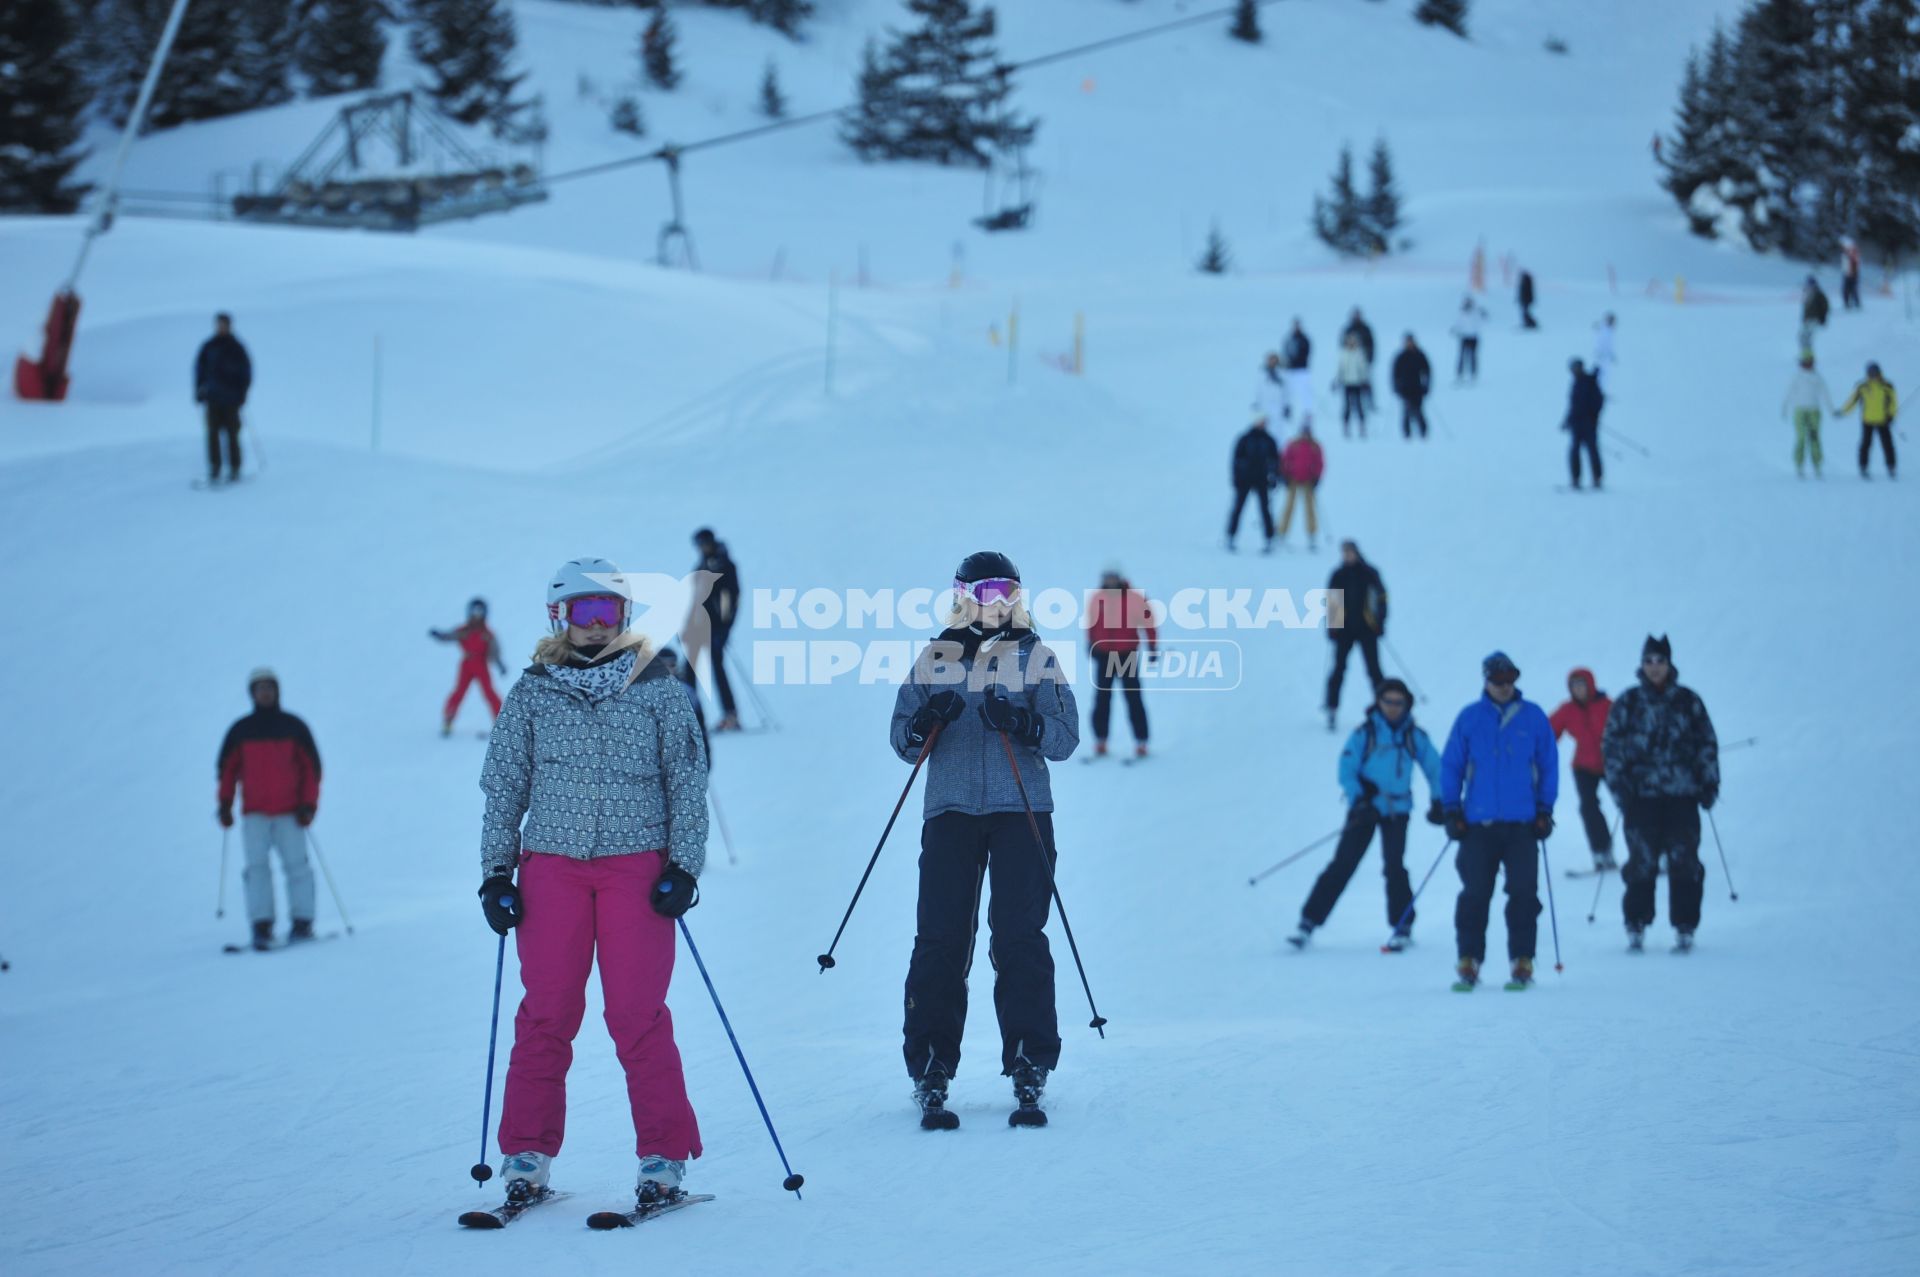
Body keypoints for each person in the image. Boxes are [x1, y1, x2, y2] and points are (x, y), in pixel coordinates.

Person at [477, 557, 710, 1211]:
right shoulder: (532, 691)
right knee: (547, 1013)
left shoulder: (659, 684)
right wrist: (497, 872)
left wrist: (683, 866)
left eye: (607, 611)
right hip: (551, 864)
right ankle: (526, 1153)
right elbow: (504, 787)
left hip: (636, 865)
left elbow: (687, 781)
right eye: (583, 611)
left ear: (625, 616)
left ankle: (663, 1157)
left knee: (637, 1014)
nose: (596, 623)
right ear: (560, 617)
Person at [890, 552, 1079, 1126]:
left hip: (1021, 809)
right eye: (981, 590)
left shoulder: (1037, 656)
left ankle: (1029, 1059)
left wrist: (1024, 724)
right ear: (961, 595)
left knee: (1019, 935)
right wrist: (929, 722)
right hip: (950, 810)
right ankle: (931, 1064)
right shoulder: (935, 657)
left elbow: (1066, 738)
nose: (992, 601)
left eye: (1004, 590)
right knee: (942, 938)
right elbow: (901, 737)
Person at [1288, 679, 1442, 951]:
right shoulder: (1365, 733)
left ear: (1406, 704)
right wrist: (1358, 797)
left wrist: (1440, 800)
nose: (1393, 708)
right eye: (1388, 702)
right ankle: (1308, 921)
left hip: (1398, 810)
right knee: (1344, 862)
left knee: (1395, 866)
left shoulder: (1413, 735)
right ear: (1378, 702)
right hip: (1365, 808)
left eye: (1398, 703)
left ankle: (1402, 925)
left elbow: (1434, 767)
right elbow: (1346, 767)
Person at [1438, 651, 1558, 990]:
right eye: (1498, 680)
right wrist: (1450, 809)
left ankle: (1522, 960)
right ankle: (1469, 959)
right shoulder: (1470, 718)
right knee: (1475, 893)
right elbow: (1452, 765)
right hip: (1478, 825)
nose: (1505, 686)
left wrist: (1545, 810)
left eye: (1510, 679)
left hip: (1523, 824)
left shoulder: (1533, 717)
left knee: (1523, 893)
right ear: (1486, 680)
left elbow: (1548, 765)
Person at [1601, 635, 1718, 952]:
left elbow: (1706, 743)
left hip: (1683, 794)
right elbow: (1610, 747)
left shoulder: (1688, 701)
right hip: (1640, 796)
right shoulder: (1628, 702)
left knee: (1685, 861)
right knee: (1642, 861)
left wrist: (1709, 783)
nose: (1654, 667)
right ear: (1642, 664)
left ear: (1669, 664)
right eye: (1649, 661)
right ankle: (1636, 923)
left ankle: (1685, 925)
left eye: (1660, 661)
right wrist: (1619, 786)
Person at [217, 668, 322, 951]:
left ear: (278, 691)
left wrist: (308, 804)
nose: (265, 693)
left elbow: (311, 769)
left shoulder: (294, 727)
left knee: (297, 868)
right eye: (259, 688)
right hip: (255, 814)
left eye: (269, 687)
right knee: (257, 870)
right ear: (252, 694)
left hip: (291, 813)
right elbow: (227, 771)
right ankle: (261, 925)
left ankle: (303, 922)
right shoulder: (240, 731)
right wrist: (225, 804)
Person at [1084, 566, 1155, 759]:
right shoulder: (1097, 598)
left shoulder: (1134, 598)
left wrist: (1153, 647)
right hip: (1104, 655)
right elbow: (1091, 623)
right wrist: (1090, 644)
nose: (1110, 581)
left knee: (1133, 698)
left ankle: (1141, 741)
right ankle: (1100, 740)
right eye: (1107, 578)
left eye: (1113, 578)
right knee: (1102, 699)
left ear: (1120, 579)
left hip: (1126, 655)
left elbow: (1149, 623)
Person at [1548, 668, 1615, 871]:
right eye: (1574, 686)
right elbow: (1548, 733)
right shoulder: (1567, 710)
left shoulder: (1608, 706)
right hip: (1584, 766)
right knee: (1588, 807)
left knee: (1630, 805)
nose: (1578, 690)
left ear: (1590, 685)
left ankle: (1646, 851)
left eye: (1581, 685)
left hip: (1612, 764)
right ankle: (1601, 852)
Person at [1324, 539, 1386, 729]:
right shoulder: (1338, 575)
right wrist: (1332, 628)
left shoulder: (1369, 573)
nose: (1347, 556)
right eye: (1344, 553)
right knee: (1338, 669)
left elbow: (1382, 599)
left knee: (1374, 670)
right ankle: (1332, 707)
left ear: (1357, 553)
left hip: (1367, 629)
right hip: (1345, 631)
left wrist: (1379, 623)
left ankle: (1383, 708)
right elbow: (1332, 602)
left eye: (1350, 552)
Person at [685, 528, 742, 731]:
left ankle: (731, 715)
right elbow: (695, 600)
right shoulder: (701, 565)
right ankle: (688, 716)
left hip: (716, 627)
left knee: (717, 670)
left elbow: (731, 600)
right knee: (689, 670)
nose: (702, 547)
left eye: (704, 543)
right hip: (697, 627)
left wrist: (725, 629)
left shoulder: (726, 566)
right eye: (699, 544)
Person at [431, 597, 508, 735]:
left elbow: (494, 651)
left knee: (489, 692)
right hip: (466, 664)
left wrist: (500, 665)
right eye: (474, 613)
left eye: (479, 613)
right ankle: (448, 720)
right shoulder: (464, 630)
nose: (476, 617)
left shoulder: (487, 634)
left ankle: (500, 722)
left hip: (481, 665)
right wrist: (440, 635)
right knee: (459, 691)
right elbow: (450, 636)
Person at [194, 312, 252, 485]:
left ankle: (235, 468)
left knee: (232, 434)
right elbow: (199, 370)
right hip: (212, 398)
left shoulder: (237, 347)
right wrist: (198, 389)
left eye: (224, 324)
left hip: (232, 399)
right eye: (218, 324)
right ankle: (215, 468)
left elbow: (246, 372)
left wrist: (242, 393)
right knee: (212, 434)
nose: (221, 327)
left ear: (229, 326)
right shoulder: (209, 346)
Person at [1226, 414, 1281, 552]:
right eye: (1260, 421)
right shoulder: (1245, 439)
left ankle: (1269, 539)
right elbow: (1236, 460)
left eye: (1264, 422)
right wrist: (1236, 478)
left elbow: (1275, 461)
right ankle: (1231, 536)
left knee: (1265, 510)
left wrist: (1274, 477)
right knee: (1238, 508)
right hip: (1245, 479)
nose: (1262, 424)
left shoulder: (1269, 440)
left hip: (1262, 480)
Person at [1837, 362, 1898, 479]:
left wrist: (1891, 415)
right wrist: (1843, 411)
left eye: (1875, 373)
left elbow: (1893, 403)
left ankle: (1891, 467)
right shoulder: (1862, 387)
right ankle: (1863, 467)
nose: (1874, 375)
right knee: (1865, 444)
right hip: (1867, 420)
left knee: (1887, 444)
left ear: (1880, 373)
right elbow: (1852, 401)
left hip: (1883, 420)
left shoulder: (1887, 386)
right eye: (1871, 373)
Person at [1780, 352, 1836, 478]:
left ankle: (1817, 466)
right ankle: (1799, 466)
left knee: (1815, 438)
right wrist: (1785, 408)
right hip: (1800, 411)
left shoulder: (1817, 377)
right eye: (1805, 362)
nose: (1807, 365)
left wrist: (1831, 409)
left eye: (1809, 362)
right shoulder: (1797, 377)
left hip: (1814, 411)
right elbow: (1789, 393)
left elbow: (1825, 394)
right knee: (1801, 438)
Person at [1277, 422, 1323, 552]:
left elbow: (1320, 463)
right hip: (1293, 479)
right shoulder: (1293, 444)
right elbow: (1285, 459)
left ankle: (1312, 534)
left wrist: (1317, 477)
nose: (1305, 435)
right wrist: (1284, 475)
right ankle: (1282, 533)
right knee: (1289, 506)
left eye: (1307, 432)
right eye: (1303, 432)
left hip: (1308, 480)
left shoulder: (1315, 446)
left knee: (1310, 508)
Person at [1564, 358, 1605, 490]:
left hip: (1588, 424)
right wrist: (1568, 420)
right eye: (1572, 369)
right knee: (1575, 451)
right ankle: (1575, 479)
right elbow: (1574, 405)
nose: (1573, 371)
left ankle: (1597, 478)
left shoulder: (1590, 382)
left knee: (1592, 451)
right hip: (1576, 424)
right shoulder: (1576, 383)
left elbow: (1599, 401)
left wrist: (1593, 416)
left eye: (1575, 368)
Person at [1391, 333, 1431, 439]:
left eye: (1411, 342)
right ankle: (1407, 434)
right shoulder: (1401, 357)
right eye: (1407, 342)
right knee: (1406, 412)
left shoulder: (1419, 355)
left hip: (1418, 388)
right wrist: (1396, 387)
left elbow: (1427, 371)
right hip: (1405, 389)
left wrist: (1426, 385)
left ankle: (1423, 432)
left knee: (1419, 411)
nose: (1409, 344)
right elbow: (1395, 374)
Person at [1333, 332, 1371, 439]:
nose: (1351, 343)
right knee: (1347, 407)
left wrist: (1365, 381)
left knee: (1359, 406)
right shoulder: (1344, 354)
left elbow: (1364, 369)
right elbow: (1340, 369)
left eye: (1353, 341)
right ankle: (1346, 428)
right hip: (1347, 383)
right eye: (1349, 341)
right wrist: (1336, 381)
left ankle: (1362, 428)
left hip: (1357, 383)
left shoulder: (1359, 353)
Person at [1341, 308, 1376, 410]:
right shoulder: (1348, 329)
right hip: (1350, 363)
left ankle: (1370, 402)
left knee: (1366, 382)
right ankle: (1351, 405)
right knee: (1350, 386)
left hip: (1364, 361)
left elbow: (1371, 345)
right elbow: (1343, 346)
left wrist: (1370, 358)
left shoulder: (1366, 329)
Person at [1449, 296, 1487, 383]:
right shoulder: (1461, 313)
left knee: (1473, 356)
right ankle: (1460, 375)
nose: (1467, 305)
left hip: (1473, 337)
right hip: (1464, 337)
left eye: (1469, 303)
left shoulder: (1476, 312)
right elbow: (1458, 324)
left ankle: (1473, 374)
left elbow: (1484, 320)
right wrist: (1454, 329)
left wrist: (1483, 313)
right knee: (1462, 357)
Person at [1282, 319, 1314, 418]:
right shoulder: (1289, 339)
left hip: (1302, 370)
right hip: (1290, 370)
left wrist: (1299, 361)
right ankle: (1288, 410)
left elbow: (1307, 353)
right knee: (1289, 392)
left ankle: (1306, 412)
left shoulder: (1304, 339)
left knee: (1305, 393)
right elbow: (1285, 352)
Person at [1253, 351, 1292, 426]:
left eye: (1274, 359)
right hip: (1265, 407)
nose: (1272, 362)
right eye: (1270, 359)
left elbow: (1287, 392)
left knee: (1278, 429)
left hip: (1278, 408)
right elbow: (1258, 390)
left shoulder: (1283, 374)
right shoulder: (1262, 374)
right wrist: (1256, 403)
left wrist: (1287, 406)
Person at [1591, 312, 1618, 391]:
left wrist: (1611, 354)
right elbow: (1601, 342)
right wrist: (1600, 352)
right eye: (1611, 320)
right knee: (1599, 373)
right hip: (1600, 355)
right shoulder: (1604, 329)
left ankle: (1601, 389)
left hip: (1605, 356)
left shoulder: (1610, 330)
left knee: (1605, 374)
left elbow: (1609, 344)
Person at [1840, 238, 1862, 311]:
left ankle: (1856, 304)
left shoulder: (1854, 254)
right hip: (1846, 274)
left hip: (1853, 275)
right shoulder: (1844, 254)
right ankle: (1847, 304)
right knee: (1845, 290)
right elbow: (1844, 265)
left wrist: (1853, 272)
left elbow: (1856, 264)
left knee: (1853, 290)